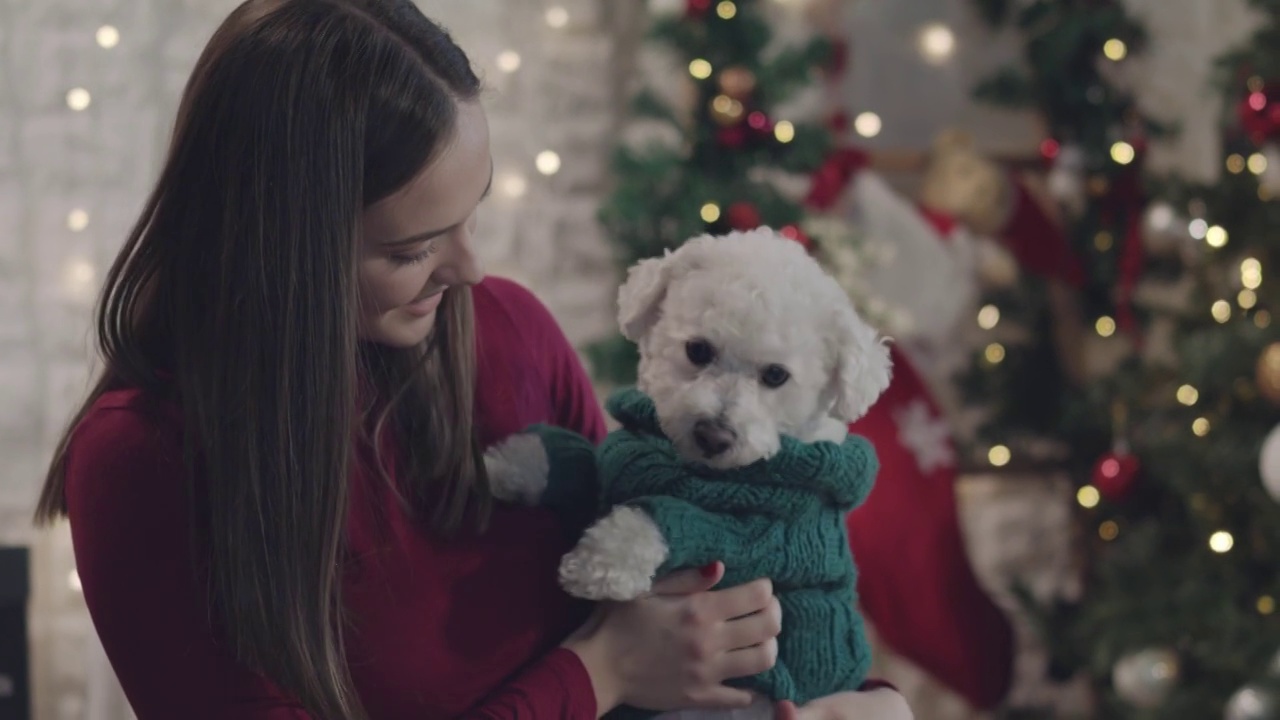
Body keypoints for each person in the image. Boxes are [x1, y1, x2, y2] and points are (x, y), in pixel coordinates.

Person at [32, 1, 915, 718]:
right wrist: (599, 674)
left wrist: (860, 702)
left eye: (472, 212)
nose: (470, 268)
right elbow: (626, 652)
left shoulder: (509, 332)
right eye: (413, 248)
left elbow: (728, 563)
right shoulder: (144, 460)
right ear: (283, 249)